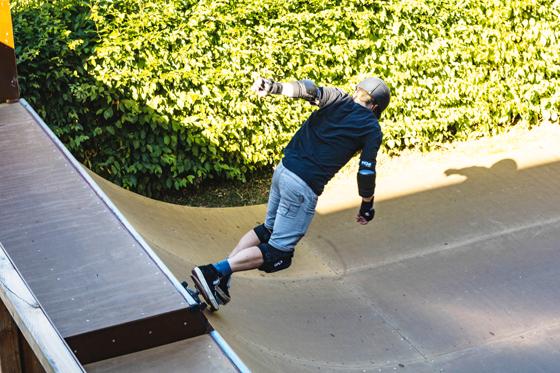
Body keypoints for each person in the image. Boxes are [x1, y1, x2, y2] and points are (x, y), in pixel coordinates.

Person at [191, 76, 391, 310]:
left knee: (267, 231)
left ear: (358, 90)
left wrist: (273, 87)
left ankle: (221, 279)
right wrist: (367, 205)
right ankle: (214, 271)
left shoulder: (338, 97)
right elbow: (366, 172)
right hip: (302, 186)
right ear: (376, 107)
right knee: (278, 253)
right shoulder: (371, 128)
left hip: (283, 171)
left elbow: (307, 90)